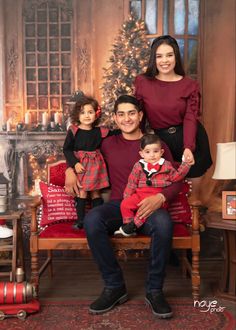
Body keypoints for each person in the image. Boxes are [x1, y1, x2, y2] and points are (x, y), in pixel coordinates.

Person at [65, 95, 184, 319]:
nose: (126, 118)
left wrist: (161, 197)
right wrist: (69, 170)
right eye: (121, 114)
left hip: (150, 205)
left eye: (131, 113)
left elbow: (176, 179)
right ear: (115, 118)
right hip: (120, 205)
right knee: (92, 220)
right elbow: (80, 152)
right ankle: (114, 286)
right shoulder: (107, 142)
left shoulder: (156, 145)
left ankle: (155, 290)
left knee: (163, 223)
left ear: (140, 116)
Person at [134, 35, 212, 204]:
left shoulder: (189, 85)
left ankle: (194, 227)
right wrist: (137, 141)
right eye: (159, 56)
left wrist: (188, 147)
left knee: (192, 198)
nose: (165, 61)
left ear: (176, 56)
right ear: (153, 59)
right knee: (166, 194)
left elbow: (191, 117)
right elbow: (139, 115)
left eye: (169, 55)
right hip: (161, 142)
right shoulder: (143, 82)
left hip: (190, 139)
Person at [115, 134, 191, 237]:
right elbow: (131, 182)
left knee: (145, 211)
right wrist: (128, 197)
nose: (152, 155)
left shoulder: (166, 165)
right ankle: (128, 224)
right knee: (125, 204)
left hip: (156, 196)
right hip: (139, 194)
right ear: (141, 154)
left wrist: (186, 164)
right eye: (147, 152)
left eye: (155, 151)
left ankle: (132, 226)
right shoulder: (138, 166)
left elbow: (176, 177)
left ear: (161, 152)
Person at [63, 95, 110, 229]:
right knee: (82, 192)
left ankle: (98, 220)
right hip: (81, 166)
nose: (87, 116)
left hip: (96, 167)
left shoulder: (100, 131)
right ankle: (81, 220)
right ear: (77, 115)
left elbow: (116, 134)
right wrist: (74, 164)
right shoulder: (74, 131)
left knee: (96, 193)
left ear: (96, 114)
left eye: (90, 112)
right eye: (83, 112)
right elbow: (67, 150)